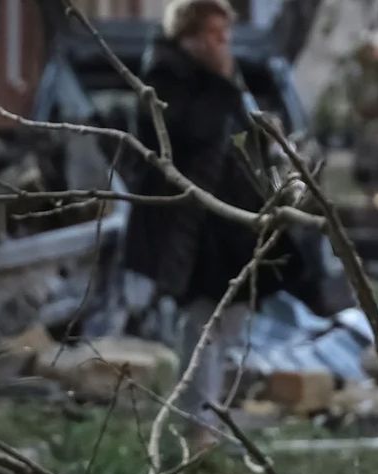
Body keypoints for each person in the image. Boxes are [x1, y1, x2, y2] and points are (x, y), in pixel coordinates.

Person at [121, 0, 271, 432]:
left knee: (223, 321)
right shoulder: (165, 78)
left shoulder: (219, 79)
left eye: (225, 35)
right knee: (200, 323)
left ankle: (204, 420)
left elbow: (242, 139)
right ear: (188, 36)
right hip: (187, 224)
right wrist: (223, 83)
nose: (223, 44)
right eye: (213, 35)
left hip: (221, 222)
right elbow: (195, 131)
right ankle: (195, 426)